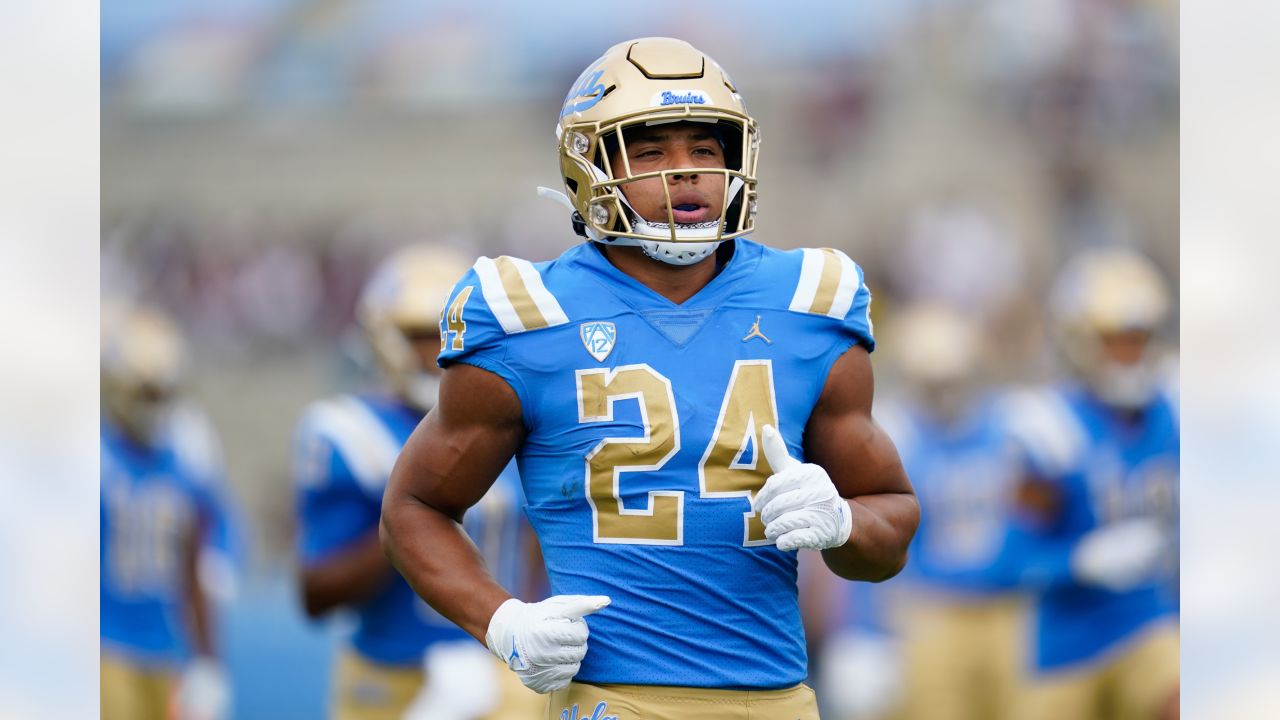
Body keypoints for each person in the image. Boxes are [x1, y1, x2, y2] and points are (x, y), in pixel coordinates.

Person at [380, 37, 919, 720]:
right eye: (650, 150)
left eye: (704, 148)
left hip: (782, 699)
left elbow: (892, 518)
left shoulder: (811, 301)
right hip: (616, 699)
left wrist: (843, 522)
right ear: (589, 164)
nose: (685, 171)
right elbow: (415, 508)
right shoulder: (527, 314)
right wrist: (501, 620)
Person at [292, 244, 543, 720]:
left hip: (508, 671)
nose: (437, 350)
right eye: (420, 335)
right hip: (392, 680)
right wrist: (415, 517)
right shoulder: (349, 431)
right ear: (382, 338)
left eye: (448, 332)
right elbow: (316, 593)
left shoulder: (515, 418)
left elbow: (533, 546)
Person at [818, 303, 1030, 720]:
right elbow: (872, 537)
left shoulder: (1011, 429)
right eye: (934, 382)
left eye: (953, 379)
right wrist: (862, 630)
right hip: (928, 612)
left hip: (1008, 608)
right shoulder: (898, 436)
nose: (946, 392)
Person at [1004, 247, 1179, 720]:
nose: (1131, 354)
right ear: (1079, 341)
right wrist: (1080, 561)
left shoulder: (1180, 412)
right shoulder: (1051, 429)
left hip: (1154, 629)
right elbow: (1012, 561)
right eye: (1115, 340)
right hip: (1068, 650)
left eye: (1139, 338)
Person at [100, 303, 236, 720]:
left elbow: (191, 566)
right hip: (103, 647)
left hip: (163, 650)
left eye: (162, 392)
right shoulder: (92, 456)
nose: (154, 404)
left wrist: (207, 661)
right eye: (145, 392)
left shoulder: (183, 457)